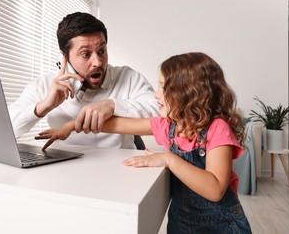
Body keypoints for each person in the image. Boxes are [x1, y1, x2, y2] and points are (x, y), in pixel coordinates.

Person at [39, 52, 252, 233]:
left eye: (163, 87)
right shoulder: (168, 125)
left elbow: (214, 189)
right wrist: (69, 126)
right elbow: (116, 125)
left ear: (188, 94)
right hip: (181, 223)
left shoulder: (217, 128)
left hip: (221, 225)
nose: (155, 94)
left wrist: (168, 159)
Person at [8, 12, 159, 149]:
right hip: (65, 169)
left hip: (120, 168)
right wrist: (43, 106)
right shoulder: (46, 84)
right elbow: (5, 130)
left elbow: (164, 115)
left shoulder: (128, 77)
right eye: (85, 54)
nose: (98, 62)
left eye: (101, 51)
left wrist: (113, 105)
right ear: (64, 58)